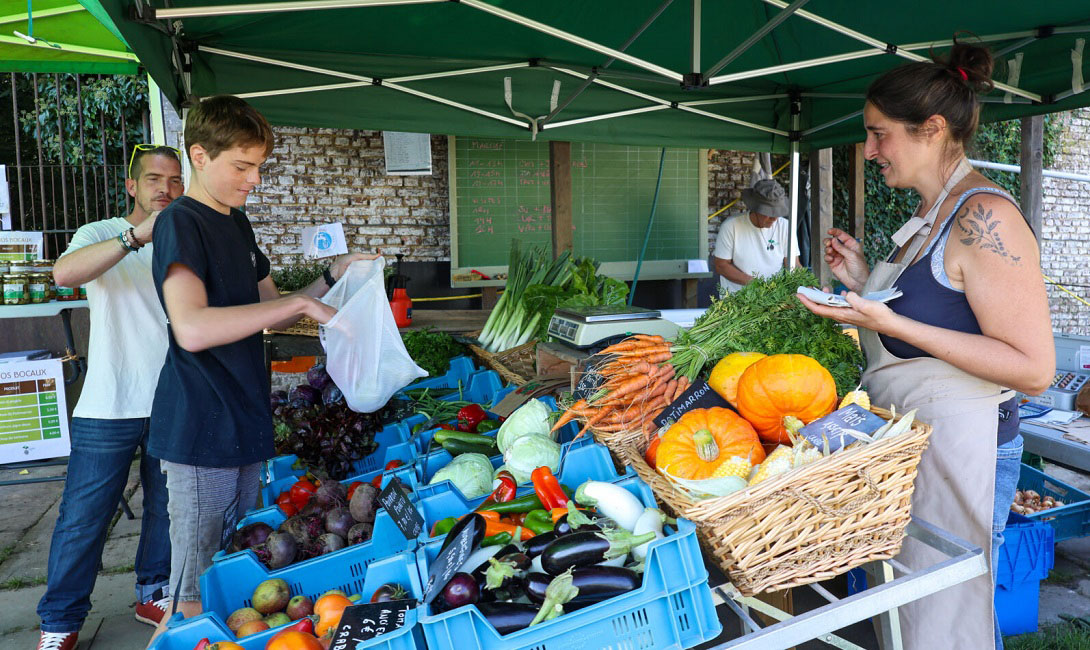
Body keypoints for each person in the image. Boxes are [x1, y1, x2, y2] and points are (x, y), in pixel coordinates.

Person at [797, 40, 1054, 649]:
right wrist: (862, 282)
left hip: (964, 451)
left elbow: (1036, 368)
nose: (870, 151)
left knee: (947, 616)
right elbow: (939, 321)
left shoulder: (982, 216)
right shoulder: (926, 218)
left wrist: (893, 325)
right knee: (913, 616)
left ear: (932, 129)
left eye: (879, 134)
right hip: (917, 447)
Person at [146, 95, 376, 643]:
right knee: (192, 589)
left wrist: (330, 276)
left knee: (234, 575)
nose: (253, 180)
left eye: (259, 167)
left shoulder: (238, 224)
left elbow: (269, 310)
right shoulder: (180, 224)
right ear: (199, 156)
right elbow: (193, 328)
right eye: (241, 167)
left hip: (244, 420)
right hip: (200, 428)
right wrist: (297, 306)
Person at [36, 146, 184, 650]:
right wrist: (134, 236)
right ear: (131, 186)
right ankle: (59, 621)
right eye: (153, 179)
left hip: (171, 398)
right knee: (83, 517)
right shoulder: (99, 233)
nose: (164, 188)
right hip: (109, 401)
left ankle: (154, 591)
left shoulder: (186, 238)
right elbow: (64, 274)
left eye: (174, 180)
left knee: (167, 508)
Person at [712, 178, 801, 292]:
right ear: (755, 209)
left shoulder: (785, 226)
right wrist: (754, 284)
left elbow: (794, 264)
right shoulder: (731, 226)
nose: (774, 218)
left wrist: (806, 285)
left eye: (777, 213)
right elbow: (721, 266)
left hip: (774, 298)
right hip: (736, 300)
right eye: (769, 213)